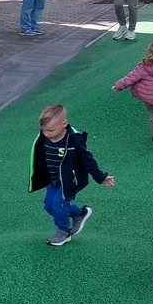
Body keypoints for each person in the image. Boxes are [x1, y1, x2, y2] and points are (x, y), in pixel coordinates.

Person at [28, 103, 114, 247]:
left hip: (69, 180)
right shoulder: (44, 137)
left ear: (64, 123)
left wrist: (101, 176)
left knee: (59, 204)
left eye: (50, 130)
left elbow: (88, 159)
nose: (47, 134)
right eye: (44, 130)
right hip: (53, 179)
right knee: (49, 207)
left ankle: (63, 232)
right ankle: (79, 213)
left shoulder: (73, 140)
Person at [112, 38, 153, 142]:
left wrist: (118, 86)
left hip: (147, 97)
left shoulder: (143, 66)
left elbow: (130, 78)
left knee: (152, 112)